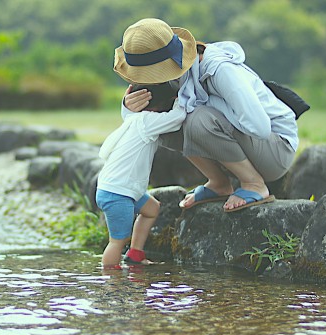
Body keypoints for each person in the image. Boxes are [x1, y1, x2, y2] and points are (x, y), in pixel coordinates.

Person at [114, 18, 298, 212]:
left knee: (197, 118)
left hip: (275, 149)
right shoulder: (175, 77)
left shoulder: (220, 70)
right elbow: (144, 125)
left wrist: (198, 106)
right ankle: (219, 183)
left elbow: (260, 128)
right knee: (160, 123)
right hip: (242, 148)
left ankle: (254, 184)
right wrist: (128, 108)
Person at [96, 81, 185, 268]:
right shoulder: (146, 121)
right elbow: (178, 117)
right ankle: (111, 282)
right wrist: (181, 99)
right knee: (117, 241)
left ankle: (135, 254)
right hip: (118, 192)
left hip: (118, 187)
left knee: (151, 209)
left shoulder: (134, 119)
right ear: (161, 106)